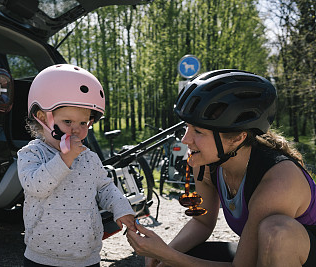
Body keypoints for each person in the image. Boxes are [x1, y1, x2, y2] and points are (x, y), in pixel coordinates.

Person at [127, 69, 316, 267]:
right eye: (186, 128)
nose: (185, 140)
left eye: (198, 131)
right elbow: (202, 223)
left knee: (276, 231)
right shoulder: (205, 163)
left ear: (238, 138)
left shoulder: (278, 181)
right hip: (261, 255)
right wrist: (162, 259)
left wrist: (167, 255)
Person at [18, 64, 136, 267]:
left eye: (83, 123)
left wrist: (122, 208)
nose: (77, 130)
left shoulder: (88, 157)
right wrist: (64, 159)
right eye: (67, 121)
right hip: (42, 256)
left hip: (86, 257)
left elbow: (105, 187)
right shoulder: (32, 153)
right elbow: (36, 186)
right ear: (42, 118)